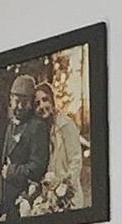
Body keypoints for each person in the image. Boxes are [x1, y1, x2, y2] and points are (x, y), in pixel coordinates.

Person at [35, 65, 88, 215]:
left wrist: (64, 186)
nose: (42, 106)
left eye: (45, 100)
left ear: (52, 100)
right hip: (49, 199)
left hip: (68, 196)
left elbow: (76, 160)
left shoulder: (65, 123)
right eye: (37, 103)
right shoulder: (42, 131)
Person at [0, 73, 50, 219]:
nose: (19, 107)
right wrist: (2, 204)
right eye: (16, 101)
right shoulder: (10, 125)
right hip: (10, 203)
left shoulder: (36, 127)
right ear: (10, 100)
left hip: (26, 201)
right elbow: (5, 164)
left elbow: (38, 167)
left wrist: (12, 172)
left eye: (24, 102)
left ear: (31, 103)